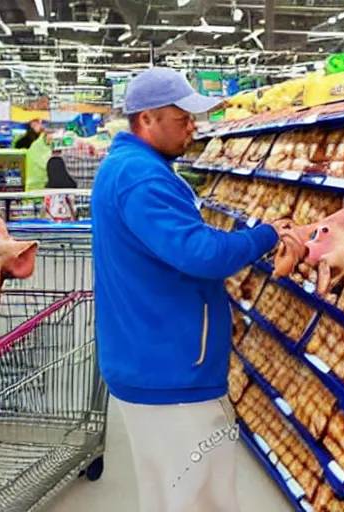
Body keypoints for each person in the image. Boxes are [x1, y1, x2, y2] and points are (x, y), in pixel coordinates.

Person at [91, 68, 285, 512]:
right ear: (147, 119)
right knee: (196, 497)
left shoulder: (128, 168)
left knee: (169, 494)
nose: (193, 128)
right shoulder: (143, 179)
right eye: (183, 119)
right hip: (171, 370)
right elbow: (200, 253)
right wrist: (264, 236)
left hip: (150, 356)